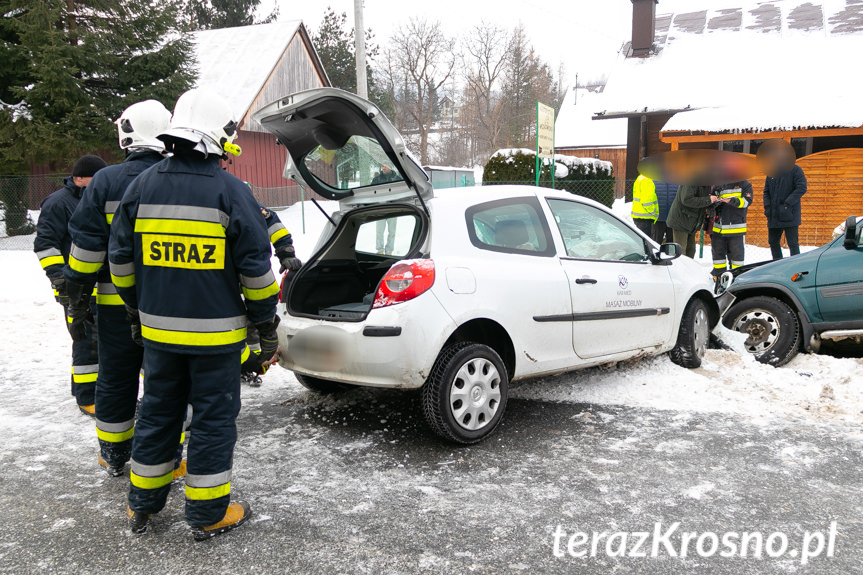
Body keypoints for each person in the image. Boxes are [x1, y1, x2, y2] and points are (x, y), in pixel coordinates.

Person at [109, 88, 280, 540]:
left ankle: (141, 507)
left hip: (159, 336)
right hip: (217, 341)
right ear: (220, 138)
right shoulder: (232, 191)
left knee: (158, 414)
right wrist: (265, 325)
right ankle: (206, 515)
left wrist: (134, 309)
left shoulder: (140, 187)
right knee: (211, 421)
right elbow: (256, 271)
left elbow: (120, 261)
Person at [64, 100, 181, 478]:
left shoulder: (105, 180)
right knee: (168, 378)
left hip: (114, 305)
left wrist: (77, 298)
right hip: (167, 304)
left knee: (115, 376)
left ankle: (114, 454)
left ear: (126, 133)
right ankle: (169, 452)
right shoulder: (177, 175)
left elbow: (85, 249)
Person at [34, 154, 106, 416]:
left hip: (98, 286)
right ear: (78, 178)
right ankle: (87, 398)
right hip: (74, 288)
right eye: (94, 178)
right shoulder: (58, 203)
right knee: (86, 341)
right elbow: (45, 245)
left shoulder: (94, 200)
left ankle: (88, 391)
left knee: (97, 341)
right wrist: (61, 281)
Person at [760, 140, 807, 260]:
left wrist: (787, 204)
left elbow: (802, 188)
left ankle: (796, 266)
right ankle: (778, 264)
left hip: (790, 214)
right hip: (773, 214)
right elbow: (766, 191)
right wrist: (767, 207)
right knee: (773, 242)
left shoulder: (796, 170)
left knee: (793, 244)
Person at [709, 179, 753, 282]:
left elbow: (747, 201)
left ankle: (736, 279)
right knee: (718, 257)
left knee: (736, 258)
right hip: (718, 229)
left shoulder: (744, 184)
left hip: (736, 229)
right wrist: (714, 200)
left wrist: (731, 200)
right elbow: (710, 198)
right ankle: (719, 279)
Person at [666, 183, 718, 259]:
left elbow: (701, 198)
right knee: (681, 252)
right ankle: (680, 270)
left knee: (691, 251)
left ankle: (688, 269)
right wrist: (708, 200)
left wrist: (713, 201)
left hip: (693, 221)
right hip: (682, 220)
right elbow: (686, 199)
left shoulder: (706, 183)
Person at [373, 165, 400, 254]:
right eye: (382, 166)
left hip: (393, 208)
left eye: (385, 166)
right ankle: (380, 250)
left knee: (392, 232)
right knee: (379, 232)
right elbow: (371, 193)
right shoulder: (376, 179)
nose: (383, 168)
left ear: (391, 167)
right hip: (380, 209)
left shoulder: (398, 179)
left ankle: (389, 251)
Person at [630, 173, 658, 237]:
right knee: (646, 242)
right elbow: (647, 201)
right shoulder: (647, 181)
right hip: (646, 217)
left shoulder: (641, 178)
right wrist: (653, 211)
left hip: (639, 215)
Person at [652, 180, 679, 244]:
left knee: (671, 244)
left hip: (672, 218)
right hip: (658, 217)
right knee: (656, 242)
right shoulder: (654, 181)